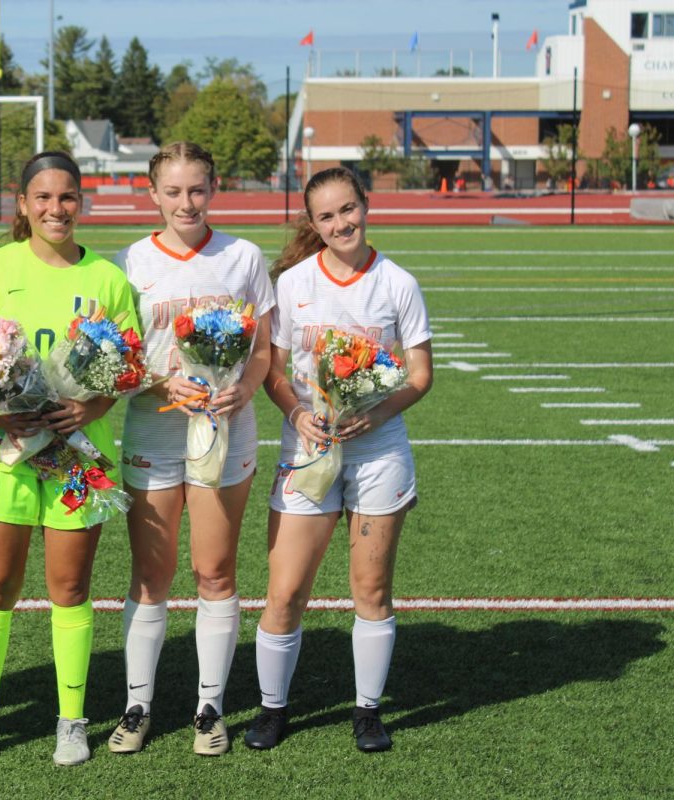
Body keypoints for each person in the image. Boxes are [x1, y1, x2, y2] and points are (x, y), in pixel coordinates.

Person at [0, 151, 141, 769]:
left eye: (66, 198)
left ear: (79, 203)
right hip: (2, 453)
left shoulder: (109, 278)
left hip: (77, 455)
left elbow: (127, 367)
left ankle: (72, 721)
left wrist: (92, 409)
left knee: (69, 588)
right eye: (43, 198)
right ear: (23, 205)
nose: (55, 209)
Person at [245, 166, 433, 753]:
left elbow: (421, 374)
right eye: (326, 216)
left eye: (347, 209)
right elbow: (273, 373)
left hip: (379, 452)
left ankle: (368, 711)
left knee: (371, 589)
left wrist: (375, 414)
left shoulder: (397, 282)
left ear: (365, 206)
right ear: (312, 222)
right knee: (285, 591)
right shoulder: (295, 281)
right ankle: (272, 709)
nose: (340, 223)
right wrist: (297, 414)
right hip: (308, 450)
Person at [108, 142, 274, 756]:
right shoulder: (129, 261)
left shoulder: (244, 256)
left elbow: (262, 348)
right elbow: (117, 357)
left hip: (225, 433)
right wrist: (159, 379)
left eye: (197, 189)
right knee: (150, 576)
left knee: (215, 571)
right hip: (153, 432)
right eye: (173, 191)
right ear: (152, 193)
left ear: (214, 189)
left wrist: (243, 390)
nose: (186, 202)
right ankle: (138, 704)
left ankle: (210, 707)